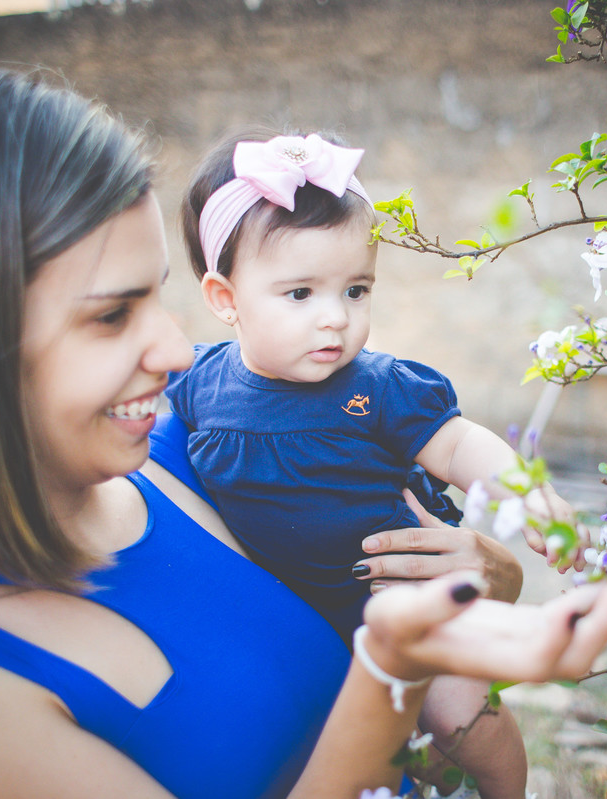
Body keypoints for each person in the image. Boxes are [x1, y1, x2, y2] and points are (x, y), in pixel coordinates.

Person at [0, 65, 607, 799]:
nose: (175, 352)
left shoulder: (185, 453)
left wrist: (485, 575)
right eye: (110, 315)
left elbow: (396, 548)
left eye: (157, 300)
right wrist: (393, 668)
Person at [169, 132, 580, 798]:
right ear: (225, 298)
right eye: (300, 293)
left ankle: (509, 789)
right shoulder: (198, 384)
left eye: (356, 290)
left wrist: (525, 491)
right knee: (385, 749)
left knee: (459, 717)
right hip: (297, 617)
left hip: (399, 591)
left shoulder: (378, 386)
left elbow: (456, 443)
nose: (336, 318)